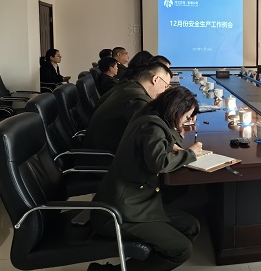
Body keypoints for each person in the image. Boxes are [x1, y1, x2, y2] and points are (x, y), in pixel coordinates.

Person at [88, 86, 202, 271]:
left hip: (139, 202)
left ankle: (152, 262)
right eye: (187, 116)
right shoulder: (152, 127)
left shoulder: (148, 114)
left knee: (191, 226)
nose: (187, 121)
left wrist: (175, 136)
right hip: (120, 212)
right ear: (176, 110)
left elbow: (161, 143)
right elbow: (159, 163)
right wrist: (190, 154)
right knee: (182, 250)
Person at [83, 62, 172, 154]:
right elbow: (151, 134)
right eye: (165, 86)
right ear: (155, 79)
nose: (164, 91)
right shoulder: (136, 99)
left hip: (101, 147)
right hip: (106, 156)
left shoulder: (127, 86)